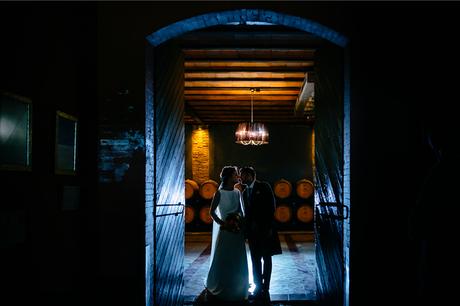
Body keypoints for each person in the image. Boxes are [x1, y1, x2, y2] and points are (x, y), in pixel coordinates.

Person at [204, 166, 249, 301]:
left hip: (237, 231)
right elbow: (212, 212)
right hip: (225, 231)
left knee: (237, 258)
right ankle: (222, 284)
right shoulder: (219, 193)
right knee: (224, 258)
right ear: (229, 177)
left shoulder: (237, 192)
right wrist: (223, 224)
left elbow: (241, 211)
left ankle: (239, 285)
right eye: (236, 174)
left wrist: (239, 223)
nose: (238, 176)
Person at [239, 166, 282, 300]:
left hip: (265, 230)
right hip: (252, 233)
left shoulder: (264, 186)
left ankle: (266, 286)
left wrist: (269, 227)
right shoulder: (245, 192)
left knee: (267, 258)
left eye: (244, 175)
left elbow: (271, 207)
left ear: (251, 176)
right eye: (240, 176)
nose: (241, 178)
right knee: (255, 259)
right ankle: (258, 284)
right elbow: (246, 213)